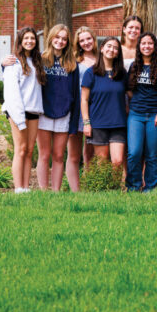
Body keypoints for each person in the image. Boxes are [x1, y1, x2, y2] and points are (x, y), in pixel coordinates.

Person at [36, 24, 80, 191]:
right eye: (57, 37)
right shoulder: (40, 59)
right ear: (51, 38)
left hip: (64, 114)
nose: (60, 41)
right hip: (44, 113)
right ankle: (43, 190)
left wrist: (74, 123)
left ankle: (55, 192)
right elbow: (21, 67)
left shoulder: (71, 64)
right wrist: (4, 65)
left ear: (67, 42)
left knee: (59, 155)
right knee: (44, 154)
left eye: (64, 39)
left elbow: (75, 94)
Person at [125, 32, 157, 192]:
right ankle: (133, 186)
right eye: (143, 43)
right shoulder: (134, 66)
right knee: (134, 152)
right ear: (139, 46)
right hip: (136, 115)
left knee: (151, 154)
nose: (146, 46)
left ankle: (150, 188)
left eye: (150, 43)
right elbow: (129, 90)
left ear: (155, 46)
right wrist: (135, 103)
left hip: (154, 114)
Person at [3, 27, 45, 194]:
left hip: (34, 110)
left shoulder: (37, 61)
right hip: (17, 112)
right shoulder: (13, 62)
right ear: (20, 41)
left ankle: (26, 188)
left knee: (29, 150)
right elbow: (12, 93)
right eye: (26, 38)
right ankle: (18, 188)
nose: (29, 41)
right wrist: (19, 119)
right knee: (20, 149)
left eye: (32, 38)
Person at [81, 37, 128, 172]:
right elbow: (84, 100)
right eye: (109, 46)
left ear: (118, 52)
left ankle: (114, 190)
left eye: (115, 48)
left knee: (117, 161)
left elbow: (129, 95)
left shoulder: (121, 73)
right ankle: (104, 191)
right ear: (102, 49)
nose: (111, 50)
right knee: (102, 161)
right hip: (98, 123)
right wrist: (86, 123)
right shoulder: (91, 72)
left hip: (118, 123)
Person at [67, 26, 98, 188]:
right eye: (82, 40)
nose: (86, 43)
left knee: (90, 152)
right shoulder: (73, 61)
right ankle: (75, 192)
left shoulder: (102, 59)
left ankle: (89, 186)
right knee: (74, 154)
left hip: (96, 109)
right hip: (77, 110)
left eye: (88, 39)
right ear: (78, 43)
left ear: (94, 39)